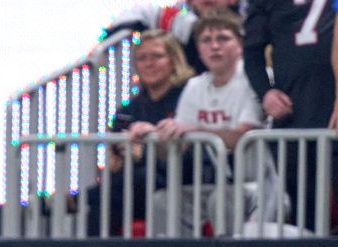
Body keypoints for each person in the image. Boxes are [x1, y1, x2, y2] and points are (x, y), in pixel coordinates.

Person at [151, 8, 269, 233]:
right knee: (163, 200)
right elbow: (177, 145)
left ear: (240, 44)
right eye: (206, 40)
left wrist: (194, 129)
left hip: (261, 188)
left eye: (223, 38)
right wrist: (153, 134)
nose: (214, 46)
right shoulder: (195, 86)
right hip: (218, 185)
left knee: (221, 198)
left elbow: (241, 137)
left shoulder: (253, 80)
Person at [88, 29, 196, 234]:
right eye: (142, 58)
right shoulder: (127, 111)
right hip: (131, 186)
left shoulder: (188, 98)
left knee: (138, 179)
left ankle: (77, 199)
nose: (149, 63)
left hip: (178, 181)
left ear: (174, 60)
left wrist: (145, 154)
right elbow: (116, 155)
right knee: (105, 200)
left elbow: (190, 156)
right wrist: (116, 162)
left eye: (157, 56)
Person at [244, 0, 336, 231]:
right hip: (296, 111)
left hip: (328, 102)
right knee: (305, 203)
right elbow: (251, 52)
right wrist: (265, 93)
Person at [106, 1, 240, 73]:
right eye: (206, 39)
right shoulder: (179, 19)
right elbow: (138, 13)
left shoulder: (252, 22)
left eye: (222, 38)